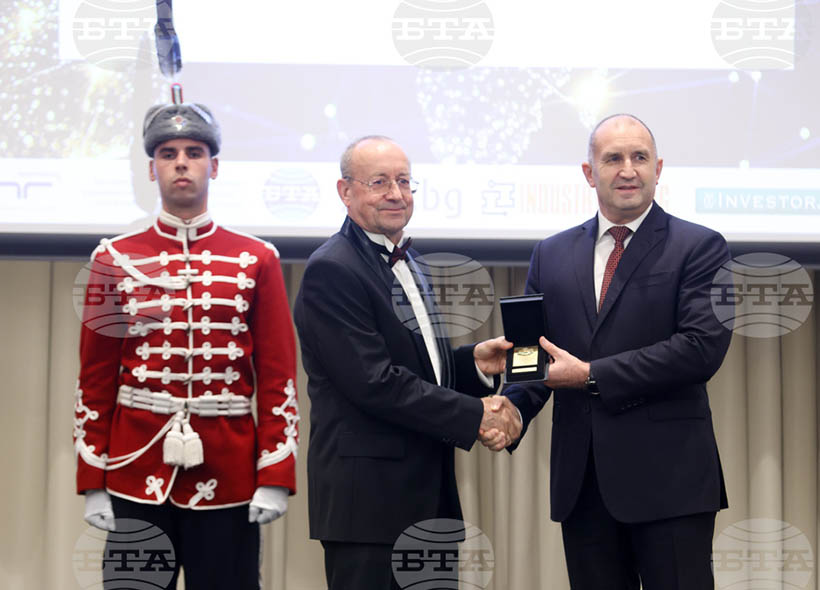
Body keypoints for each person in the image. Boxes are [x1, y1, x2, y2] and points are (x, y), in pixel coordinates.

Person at [73, 100, 299, 589]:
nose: (181, 163)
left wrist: (275, 473)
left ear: (213, 167)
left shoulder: (256, 258)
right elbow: (94, 378)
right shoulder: (113, 258)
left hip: (228, 473)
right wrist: (92, 479)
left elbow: (278, 376)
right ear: (151, 168)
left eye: (194, 153)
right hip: (135, 470)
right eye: (168, 153)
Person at [503, 114, 732, 589]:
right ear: (590, 173)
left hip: (672, 484)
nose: (628, 169)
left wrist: (590, 374)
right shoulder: (550, 253)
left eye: (639, 157)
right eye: (613, 159)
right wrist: (511, 410)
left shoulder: (701, 247)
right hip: (583, 485)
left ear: (658, 168)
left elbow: (701, 349)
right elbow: (532, 354)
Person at [293, 135, 520, 589]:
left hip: (428, 498)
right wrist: (475, 414)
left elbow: (417, 369)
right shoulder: (331, 269)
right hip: (369, 509)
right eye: (379, 182)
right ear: (345, 191)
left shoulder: (410, 260)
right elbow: (375, 382)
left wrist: (472, 365)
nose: (395, 194)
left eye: (403, 181)